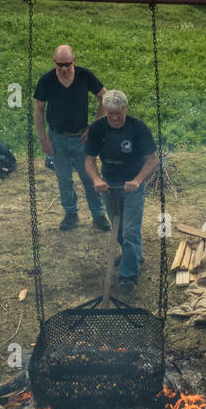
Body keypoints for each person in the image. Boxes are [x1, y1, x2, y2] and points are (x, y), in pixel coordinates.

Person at [84, 90, 158, 298]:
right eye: (110, 114)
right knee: (118, 231)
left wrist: (137, 180)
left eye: (118, 114)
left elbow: (152, 159)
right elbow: (89, 160)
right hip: (109, 184)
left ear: (126, 109)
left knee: (130, 229)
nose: (115, 118)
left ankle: (128, 276)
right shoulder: (98, 128)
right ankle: (132, 255)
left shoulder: (138, 127)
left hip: (132, 183)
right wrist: (97, 180)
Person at [34, 44, 109, 232]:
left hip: (81, 139)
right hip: (57, 137)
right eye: (60, 65)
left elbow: (104, 96)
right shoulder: (47, 80)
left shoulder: (85, 76)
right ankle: (70, 213)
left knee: (89, 178)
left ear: (74, 60)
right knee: (64, 178)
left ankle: (98, 215)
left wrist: (95, 124)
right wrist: (44, 138)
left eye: (67, 64)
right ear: (55, 62)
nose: (64, 69)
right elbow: (38, 109)